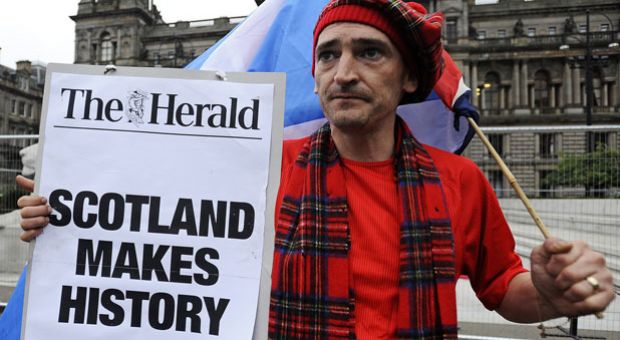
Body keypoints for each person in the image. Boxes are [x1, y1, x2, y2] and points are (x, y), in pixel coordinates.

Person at [16, 1, 615, 339]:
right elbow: (150, 227)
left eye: (369, 52)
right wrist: (69, 216)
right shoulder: (257, 167)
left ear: (410, 79)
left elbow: (504, 293)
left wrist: (552, 293)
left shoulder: (459, 182)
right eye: (328, 55)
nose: (343, 72)